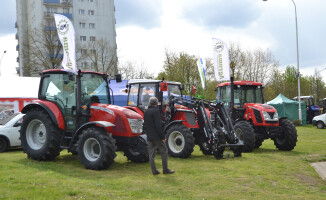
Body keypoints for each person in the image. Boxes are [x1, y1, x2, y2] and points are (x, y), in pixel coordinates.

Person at [144, 97, 175, 175]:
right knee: (164, 151)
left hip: (149, 136)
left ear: (150, 103)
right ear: (156, 103)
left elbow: (145, 125)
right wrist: (163, 137)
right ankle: (165, 169)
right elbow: (158, 126)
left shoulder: (146, 112)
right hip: (157, 136)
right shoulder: (156, 111)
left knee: (151, 154)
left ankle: (154, 171)